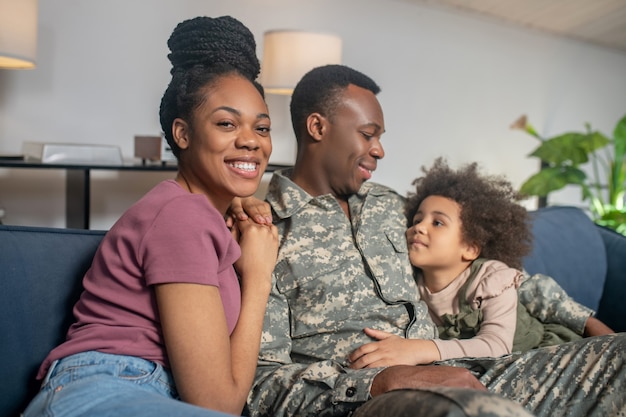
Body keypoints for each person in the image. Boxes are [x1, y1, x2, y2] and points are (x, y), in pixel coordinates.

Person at [237, 64, 625, 417]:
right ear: (318, 128)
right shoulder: (262, 230)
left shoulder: (394, 208)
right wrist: (380, 380)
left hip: (469, 372)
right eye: (368, 135)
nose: (379, 150)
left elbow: (488, 275)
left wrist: (585, 321)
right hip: (371, 399)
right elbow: (262, 386)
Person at [23, 16, 278, 417]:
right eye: (226, 123)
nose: (250, 140)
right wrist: (260, 277)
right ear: (182, 134)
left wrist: (236, 212)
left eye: (262, 128)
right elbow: (218, 403)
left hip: (144, 390)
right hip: (104, 387)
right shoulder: (182, 216)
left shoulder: (205, 218)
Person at [349, 158, 614, 369]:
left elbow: (495, 346)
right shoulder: (410, 287)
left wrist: (421, 349)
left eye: (437, 222)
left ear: (470, 248)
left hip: (543, 357)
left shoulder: (491, 278)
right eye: (417, 220)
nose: (419, 228)